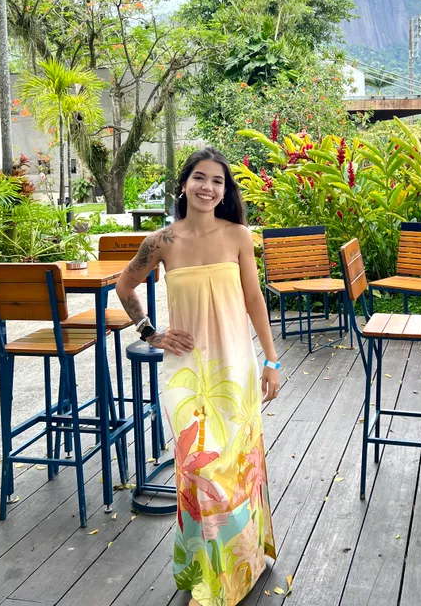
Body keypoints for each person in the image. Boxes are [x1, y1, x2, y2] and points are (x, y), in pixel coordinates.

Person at [116, 147, 277, 606]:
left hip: (235, 368)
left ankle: (242, 564)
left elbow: (254, 301)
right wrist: (151, 332)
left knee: (236, 469)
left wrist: (271, 361)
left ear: (225, 191)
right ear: (184, 183)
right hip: (186, 375)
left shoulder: (239, 235)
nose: (208, 187)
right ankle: (206, 574)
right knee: (198, 473)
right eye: (200, 178)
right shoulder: (162, 241)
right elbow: (123, 286)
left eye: (218, 181)